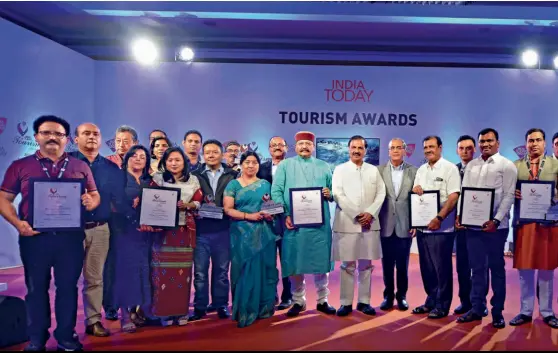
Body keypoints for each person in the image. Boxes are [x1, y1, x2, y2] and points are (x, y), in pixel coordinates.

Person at [0, 115, 100, 351]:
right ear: (36, 137)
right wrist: (17, 223)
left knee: (67, 288)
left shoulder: (80, 166)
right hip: (34, 238)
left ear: (67, 139)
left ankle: (66, 336)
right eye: (46, 133)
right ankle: (37, 338)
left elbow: (95, 196)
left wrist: (90, 201)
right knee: (36, 290)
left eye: (58, 134)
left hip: (70, 239)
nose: (53, 137)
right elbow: (4, 199)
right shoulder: (20, 166)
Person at [271, 131, 336, 317]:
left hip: (319, 225)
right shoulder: (285, 165)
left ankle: (323, 300)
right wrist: (285, 215)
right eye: (301, 144)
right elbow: (276, 191)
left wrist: (328, 193)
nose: (305, 147)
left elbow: (333, 191)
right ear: (295, 146)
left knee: (320, 260)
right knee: (295, 260)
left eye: (308, 144)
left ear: (313, 146)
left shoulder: (324, 166)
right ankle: (298, 300)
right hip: (293, 223)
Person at [456, 128, 516, 329]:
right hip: (473, 227)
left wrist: (497, 221)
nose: (485, 144)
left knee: (497, 269)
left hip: (496, 229)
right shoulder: (472, 165)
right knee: (477, 269)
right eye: (482, 141)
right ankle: (476, 308)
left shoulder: (506, 166)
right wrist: (460, 215)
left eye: (490, 141)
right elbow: (465, 193)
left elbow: (508, 196)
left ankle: (497, 312)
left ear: (498, 143)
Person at [70, 123, 125, 337]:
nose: (92, 137)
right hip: (71, 232)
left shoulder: (111, 168)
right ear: (75, 139)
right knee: (68, 280)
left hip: (101, 229)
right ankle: (67, 326)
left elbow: (119, 201)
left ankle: (93, 321)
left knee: (95, 278)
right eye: (86, 134)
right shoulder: (66, 164)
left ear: (101, 139)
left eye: (96, 134)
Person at [509, 128, 558, 329]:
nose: (534, 144)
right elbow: (507, 193)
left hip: (548, 224)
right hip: (524, 224)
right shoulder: (515, 166)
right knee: (525, 269)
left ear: (545, 143)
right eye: (530, 140)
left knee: (546, 269)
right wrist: (514, 194)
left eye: (538, 140)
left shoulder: (556, 164)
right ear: (525, 143)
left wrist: (553, 196)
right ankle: (525, 311)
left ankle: (547, 312)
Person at [223, 151, 279, 327]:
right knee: (244, 269)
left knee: (264, 268)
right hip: (241, 233)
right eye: (247, 162)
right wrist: (249, 216)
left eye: (254, 162)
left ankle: (264, 307)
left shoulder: (265, 184)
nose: (251, 165)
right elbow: (228, 209)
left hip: (264, 232)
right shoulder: (233, 184)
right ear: (241, 164)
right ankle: (244, 308)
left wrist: (270, 216)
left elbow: (272, 207)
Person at [332, 136, 386, 316]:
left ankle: (364, 302)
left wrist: (370, 213)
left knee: (366, 265)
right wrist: (357, 214)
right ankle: (345, 303)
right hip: (347, 222)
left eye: (360, 148)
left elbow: (381, 193)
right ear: (348, 149)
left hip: (370, 224)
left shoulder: (373, 170)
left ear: (365, 150)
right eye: (353, 147)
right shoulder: (339, 170)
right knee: (347, 265)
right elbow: (338, 194)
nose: (356, 150)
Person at [150, 147, 203, 326]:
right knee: (161, 273)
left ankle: (181, 312)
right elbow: (150, 200)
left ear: (184, 162)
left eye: (177, 160)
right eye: (170, 160)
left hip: (183, 232)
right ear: (164, 162)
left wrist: (187, 205)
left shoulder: (193, 180)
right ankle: (163, 313)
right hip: (162, 232)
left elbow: (198, 202)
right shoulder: (157, 180)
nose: (173, 163)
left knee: (183, 274)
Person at [189, 139, 238, 321]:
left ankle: (221, 304)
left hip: (224, 229)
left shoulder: (232, 175)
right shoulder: (194, 174)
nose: (210, 155)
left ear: (222, 154)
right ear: (203, 154)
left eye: (215, 152)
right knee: (200, 273)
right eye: (207, 152)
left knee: (221, 272)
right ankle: (200, 307)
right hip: (201, 230)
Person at [412, 135, 460, 319]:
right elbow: (417, 195)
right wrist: (416, 190)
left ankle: (443, 305)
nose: (428, 150)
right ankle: (431, 301)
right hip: (423, 228)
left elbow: (454, 196)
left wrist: (439, 217)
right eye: (425, 147)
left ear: (440, 147)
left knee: (442, 268)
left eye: (431, 146)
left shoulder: (450, 169)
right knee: (427, 268)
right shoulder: (421, 169)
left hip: (442, 228)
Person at [114, 145, 158, 333]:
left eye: (143, 156)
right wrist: (132, 210)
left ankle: (141, 311)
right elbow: (113, 204)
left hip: (148, 233)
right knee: (127, 273)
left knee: (146, 271)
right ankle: (125, 315)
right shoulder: (119, 178)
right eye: (134, 156)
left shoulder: (151, 181)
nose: (138, 159)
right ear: (127, 158)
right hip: (126, 232)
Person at [104, 125, 139, 321]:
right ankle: (110, 306)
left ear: (135, 143)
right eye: (118, 141)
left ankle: (133, 305)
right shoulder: (107, 164)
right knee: (110, 266)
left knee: (132, 264)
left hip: (135, 222)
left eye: (126, 141)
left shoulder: (142, 164)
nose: (121, 144)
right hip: (112, 221)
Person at [378, 138, 417, 311]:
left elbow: (419, 200)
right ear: (388, 151)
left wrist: (416, 222)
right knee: (387, 265)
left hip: (405, 225)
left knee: (402, 265)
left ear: (404, 150)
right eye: (392, 148)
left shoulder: (414, 171)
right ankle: (388, 296)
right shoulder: (378, 171)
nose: (395, 150)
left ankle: (402, 296)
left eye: (398, 148)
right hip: (385, 225)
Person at [453, 135, 488, 316]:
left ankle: (480, 303)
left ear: (474, 150)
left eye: (469, 148)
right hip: (459, 228)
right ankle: (465, 302)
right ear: (457, 150)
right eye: (461, 148)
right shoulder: (453, 170)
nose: (465, 151)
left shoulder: (482, 169)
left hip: (477, 228)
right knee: (462, 267)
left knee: (479, 267)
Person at [256, 136, 293, 310]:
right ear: (269, 149)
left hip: (287, 219)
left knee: (287, 259)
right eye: (273, 145)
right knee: (267, 260)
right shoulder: (259, 168)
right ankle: (271, 295)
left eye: (281, 145)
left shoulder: (293, 167)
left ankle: (288, 296)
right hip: (266, 220)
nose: (277, 147)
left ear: (287, 148)